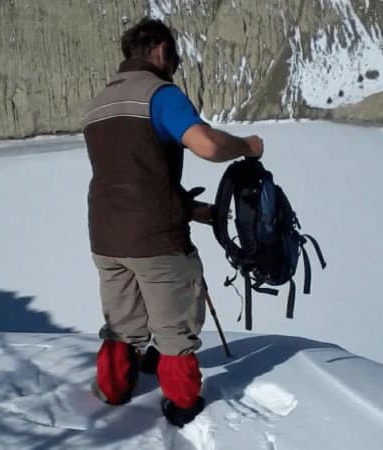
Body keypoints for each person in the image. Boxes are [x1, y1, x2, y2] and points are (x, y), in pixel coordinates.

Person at [81, 17, 264, 427]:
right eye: (176, 57)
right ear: (162, 51)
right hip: (157, 241)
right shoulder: (159, 94)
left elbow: (131, 174)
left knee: (120, 325)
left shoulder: (97, 105)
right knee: (175, 328)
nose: (177, 64)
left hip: (106, 237)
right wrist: (247, 147)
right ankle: (183, 405)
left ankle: (114, 391)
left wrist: (191, 210)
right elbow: (208, 144)